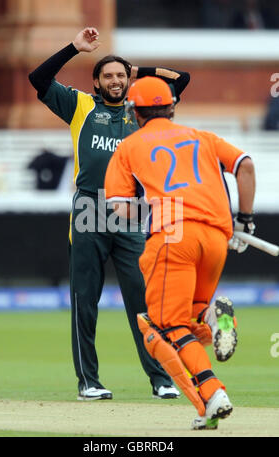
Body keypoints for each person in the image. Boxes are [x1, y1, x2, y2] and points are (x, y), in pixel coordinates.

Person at [28, 27, 191, 400]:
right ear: (96, 82)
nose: (116, 81)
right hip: (89, 208)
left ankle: (161, 379)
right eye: (108, 76)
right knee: (85, 299)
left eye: (120, 75)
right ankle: (89, 382)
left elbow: (181, 80)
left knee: (143, 302)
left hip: (132, 211)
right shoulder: (81, 105)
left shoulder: (146, 112)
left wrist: (138, 71)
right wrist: (74, 47)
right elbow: (38, 79)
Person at [104, 76, 256, 429]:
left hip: (172, 237)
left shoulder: (128, 146)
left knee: (162, 327)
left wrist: (153, 205)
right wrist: (245, 222)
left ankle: (213, 391)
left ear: (134, 111)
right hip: (217, 237)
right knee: (189, 317)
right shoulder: (202, 137)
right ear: (172, 106)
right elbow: (245, 165)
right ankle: (213, 320)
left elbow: (120, 209)